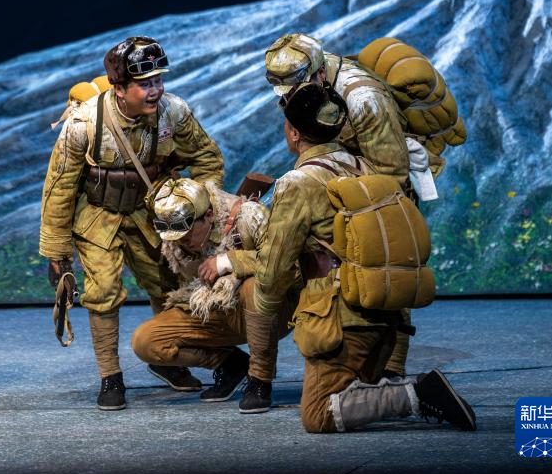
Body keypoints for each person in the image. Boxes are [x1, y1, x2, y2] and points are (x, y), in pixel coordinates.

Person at [249, 82, 476, 433]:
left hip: (341, 323)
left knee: (319, 415)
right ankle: (395, 390)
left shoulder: (298, 183)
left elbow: (274, 267)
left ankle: (418, 394)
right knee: (350, 395)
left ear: (293, 133)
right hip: (384, 318)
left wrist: (263, 307)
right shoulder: (367, 168)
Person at [39, 36, 225, 410]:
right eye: (145, 84)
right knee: (103, 292)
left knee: (167, 284)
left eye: (158, 80)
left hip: (151, 212)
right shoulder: (84, 124)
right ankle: (110, 375)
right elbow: (59, 188)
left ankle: (167, 359)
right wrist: (57, 253)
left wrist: (197, 209)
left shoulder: (174, 113)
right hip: (98, 215)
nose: (155, 90)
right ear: (120, 88)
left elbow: (208, 159)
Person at [265, 33, 414, 378]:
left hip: (377, 191)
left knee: (384, 266)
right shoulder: (302, 85)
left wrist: (338, 193)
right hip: (343, 182)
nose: (289, 98)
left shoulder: (363, 100)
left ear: (319, 73)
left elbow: (392, 176)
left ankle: (392, 368)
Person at [130, 177, 300, 412]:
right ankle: (231, 364)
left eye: (187, 234)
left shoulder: (249, 217)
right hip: (217, 310)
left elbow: (289, 265)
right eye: (176, 236)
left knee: (252, 285)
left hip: (269, 313)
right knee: (146, 341)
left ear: (209, 215)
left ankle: (260, 379)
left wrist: (227, 261)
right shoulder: (174, 239)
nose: (182, 242)